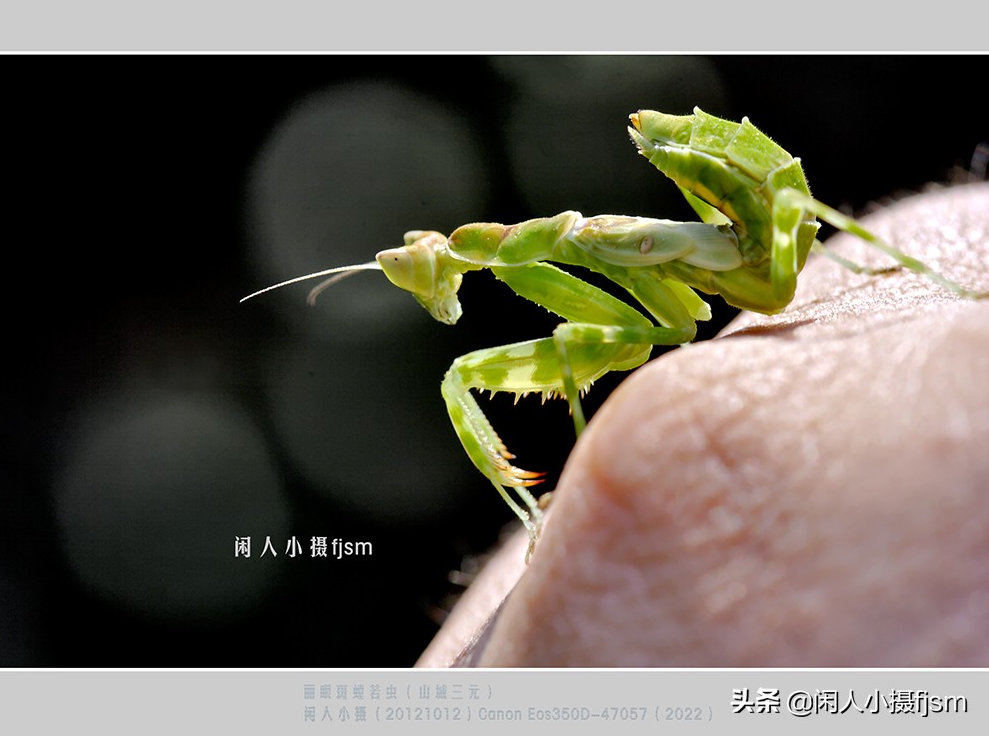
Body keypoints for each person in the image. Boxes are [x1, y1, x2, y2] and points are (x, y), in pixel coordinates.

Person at [417, 182, 989, 667]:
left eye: (427, 266)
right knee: (471, 375)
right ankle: (532, 510)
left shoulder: (575, 243)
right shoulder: (563, 247)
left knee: (550, 349)